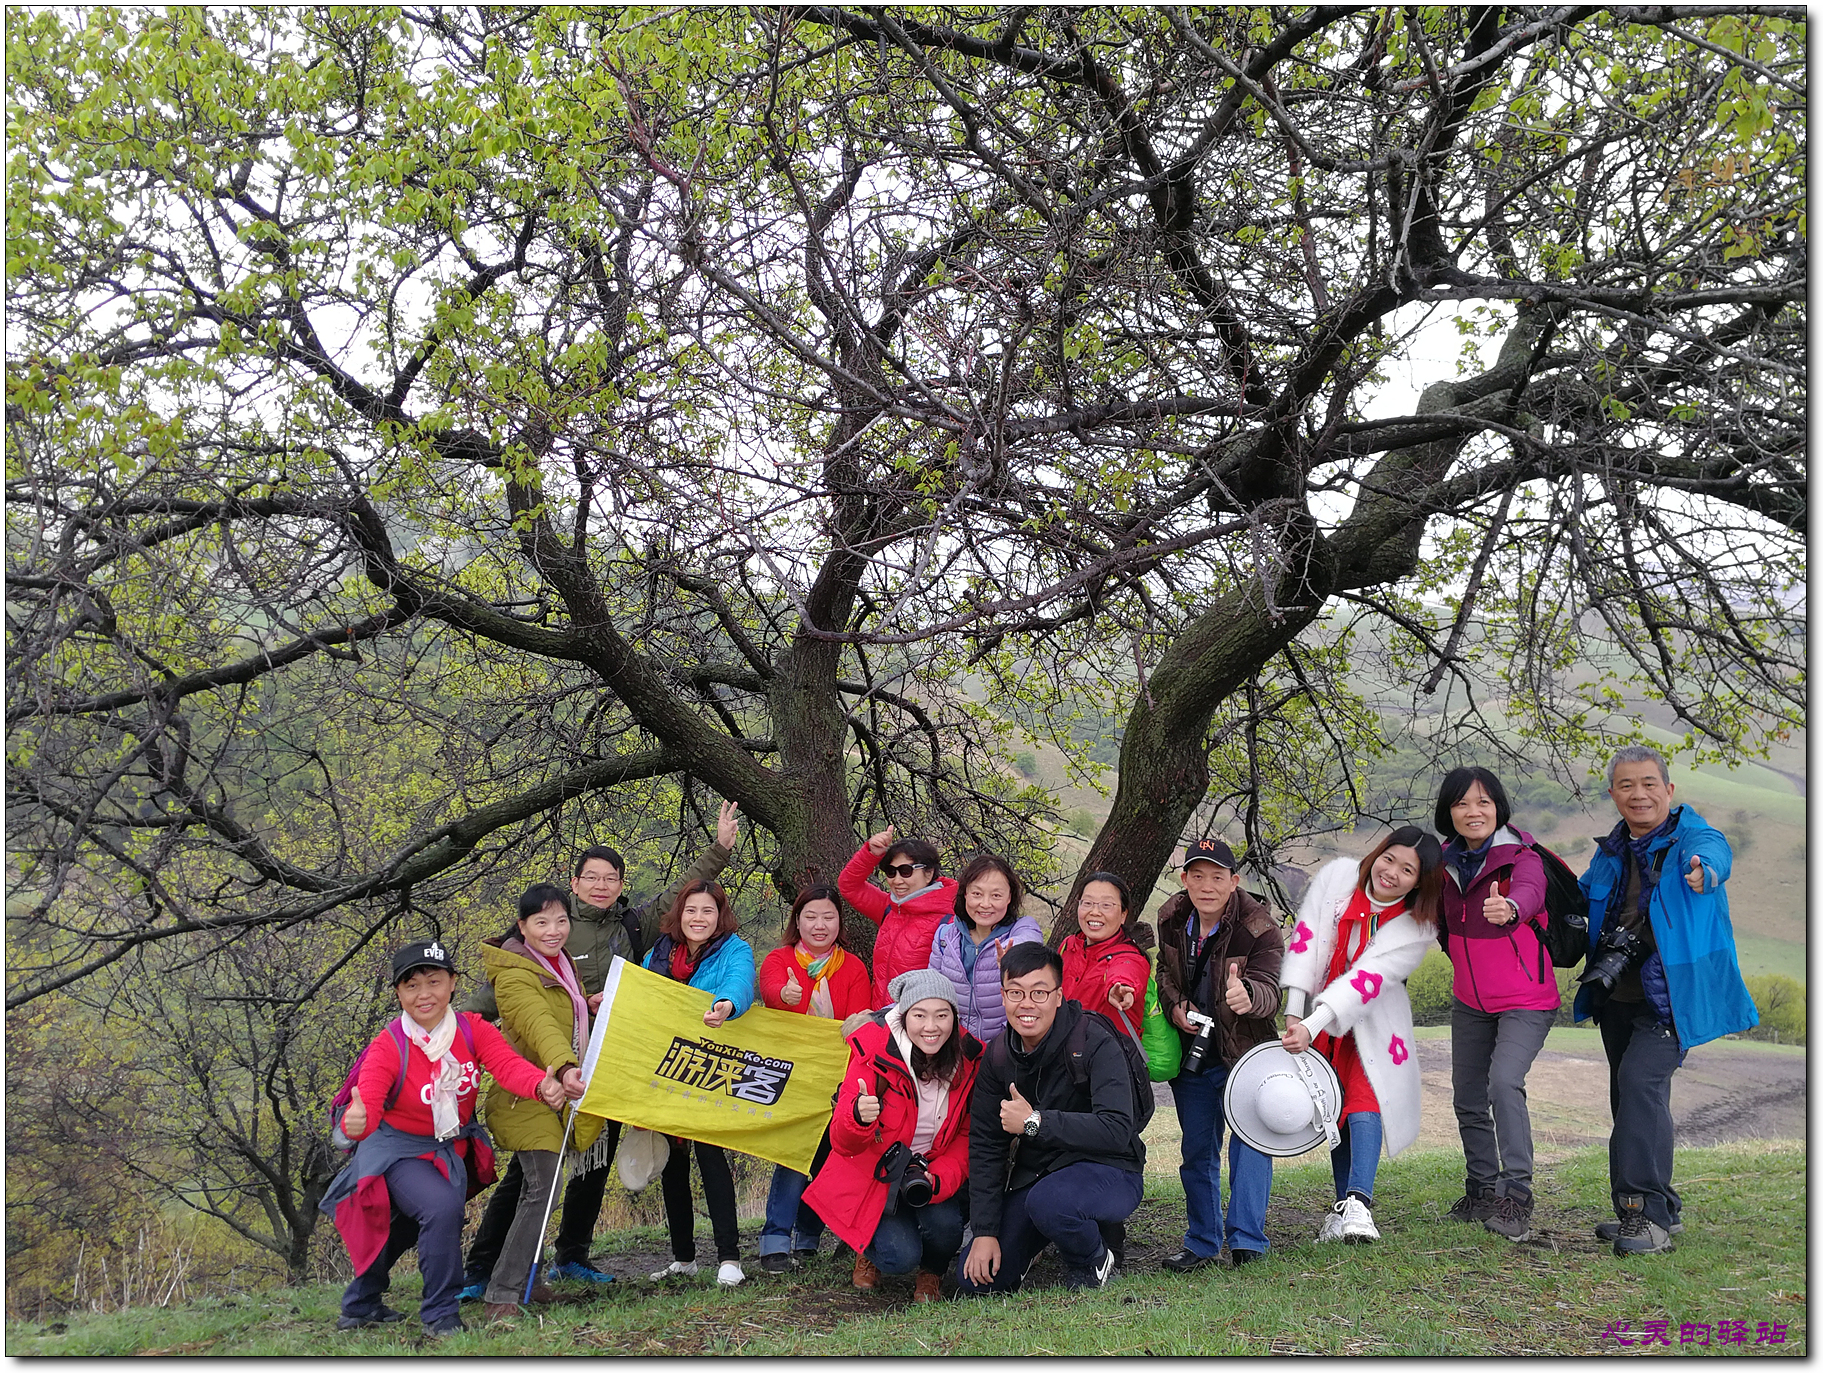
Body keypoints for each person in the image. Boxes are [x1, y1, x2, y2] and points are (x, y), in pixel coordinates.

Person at [461, 803, 739, 1295]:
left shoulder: (629, 925)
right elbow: (497, 992)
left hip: (608, 1060)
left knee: (594, 1157)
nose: (601, 886)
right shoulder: (549, 930)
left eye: (610, 878)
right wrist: (447, 1027)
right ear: (574, 882)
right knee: (531, 1170)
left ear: (620, 883)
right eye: (591, 877)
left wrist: (719, 850)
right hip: (545, 1066)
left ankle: (572, 1255)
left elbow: (680, 895)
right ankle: (482, 1267)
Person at [322, 941, 567, 1339]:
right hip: (396, 1148)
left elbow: (508, 1067)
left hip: (447, 1146)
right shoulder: (389, 1045)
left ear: (452, 983)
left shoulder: (473, 1030)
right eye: (412, 985)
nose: (424, 994)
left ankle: (360, 1303)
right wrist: (357, 1123)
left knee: (407, 1225)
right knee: (440, 1209)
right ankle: (441, 1315)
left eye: (434, 982)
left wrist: (541, 1086)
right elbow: (367, 1106)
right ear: (399, 993)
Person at [1574, 745, 1756, 1256]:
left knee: (1639, 1084)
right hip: (1618, 995)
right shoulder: (1610, 852)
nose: (1639, 794)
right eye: (1627, 785)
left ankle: (1645, 1215)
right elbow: (1578, 897)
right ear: (1614, 794)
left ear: (1669, 790)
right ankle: (1659, 1211)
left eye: (1649, 783)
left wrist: (1706, 871)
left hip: (1671, 999)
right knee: (1631, 1096)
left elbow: (1715, 852)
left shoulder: (1692, 839)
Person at [1279, 828, 1444, 1243]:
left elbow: (1365, 981)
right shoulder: (1338, 879)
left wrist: (1311, 1024)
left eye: (1408, 870)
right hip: (1321, 1020)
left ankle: (1360, 1204)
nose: (1392, 873)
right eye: (1389, 858)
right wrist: (1295, 1011)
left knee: (1364, 1100)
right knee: (1334, 1108)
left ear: (1419, 883)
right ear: (1377, 853)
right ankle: (1343, 1209)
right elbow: (1307, 940)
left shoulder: (1416, 928)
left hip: (1374, 1022)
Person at [956, 943, 1145, 1294]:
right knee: (974, 1282)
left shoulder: (1093, 1040)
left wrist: (1035, 1123)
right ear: (1003, 996)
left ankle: (1093, 1260)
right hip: (1039, 1177)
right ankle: (1039, 1242)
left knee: (1052, 1203)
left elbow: (1117, 1129)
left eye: (1039, 993)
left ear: (1058, 996)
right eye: (1016, 992)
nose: (1026, 1004)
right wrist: (984, 1231)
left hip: (1110, 1169)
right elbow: (985, 1146)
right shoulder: (999, 1056)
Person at [1433, 766, 1557, 1241]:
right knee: (1467, 1096)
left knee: (1503, 1083)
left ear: (1498, 807)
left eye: (1483, 801)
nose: (1473, 811)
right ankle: (1483, 1190)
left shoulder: (1521, 857)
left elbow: (1530, 892)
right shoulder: (1442, 865)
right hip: (1470, 1001)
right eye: (1462, 803)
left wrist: (1511, 908)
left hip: (1526, 999)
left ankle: (1516, 1196)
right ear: (1448, 813)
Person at [804, 969, 982, 1301]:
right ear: (903, 1015)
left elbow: (965, 1135)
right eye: (920, 1015)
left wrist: (937, 1179)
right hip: (878, 1174)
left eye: (942, 1015)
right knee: (899, 1257)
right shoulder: (873, 1053)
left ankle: (932, 1272)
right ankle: (868, 1250)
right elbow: (841, 1142)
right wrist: (858, 1117)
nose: (931, 1026)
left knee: (947, 1229)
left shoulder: (969, 1061)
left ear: (954, 1017)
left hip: (930, 1168)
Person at [474, 886, 608, 1320]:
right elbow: (538, 1025)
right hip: (527, 1096)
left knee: (530, 1188)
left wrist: (585, 1006)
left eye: (561, 921)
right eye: (542, 922)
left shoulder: (560, 964)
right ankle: (502, 1293)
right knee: (544, 1190)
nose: (554, 930)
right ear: (523, 926)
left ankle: (523, 1282)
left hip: (553, 1098)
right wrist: (566, 1067)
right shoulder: (515, 974)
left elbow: (560, 1015)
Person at [1154, 837, 1283, 1270]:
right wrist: (1175, 1005)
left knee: (1251, 1146)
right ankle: (1202, 1242)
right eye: (1197, 876)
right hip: (1193, 1052)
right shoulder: (1171, 917)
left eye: (1216, 877)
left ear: (1234, 881)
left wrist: (1248, 995)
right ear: (1184, 879)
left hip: (1244, 1055)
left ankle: (1248, 1242)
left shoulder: (1259, 926)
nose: (1206, 886)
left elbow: (1271, 990)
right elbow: (1164, 971)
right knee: (1196, 1151)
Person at [642, 880, 757, 1286]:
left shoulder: (734, 950)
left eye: (708, 911)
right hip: (665, 1066)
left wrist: (727, 1004)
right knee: (672, 1161)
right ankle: (683, 1257)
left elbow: (740, 981)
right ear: (679, 913)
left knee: (711, 1157)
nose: (698, 918)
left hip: (709, 1068)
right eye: (691, 910)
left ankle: (729, 1258)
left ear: (719, 915)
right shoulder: (658, 952)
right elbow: (641, 995)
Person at [755, 885, 872, 1272]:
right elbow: (772, 990)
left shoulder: (852, 968)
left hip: (837, 1077)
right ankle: (775, 1240)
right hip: (790, 1077)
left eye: (828, 917)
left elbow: (858, 1023)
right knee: (793, 1155)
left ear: (839, 922)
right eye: (811, 917)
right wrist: (787, 994)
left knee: (825, 1155)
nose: (820, 925)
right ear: (797, 921)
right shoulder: (780, 959)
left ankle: (809, 1236)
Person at [839, 825, 959, 1008]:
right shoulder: (890, 909)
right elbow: (849, 885)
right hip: (881, 1015)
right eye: (891, 872)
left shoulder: (950, 918)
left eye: (905, 871)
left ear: (929, 873)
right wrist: (871, 853)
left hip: (918, 1019)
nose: (897, 880)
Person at [927, 854, 1044, 1040]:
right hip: (953, 1045)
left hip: (1002, 1048)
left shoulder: (1021, 928)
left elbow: (1029, 940)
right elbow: (930, 990)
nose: (985, 904)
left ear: (1009, 897)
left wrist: (1014, 956)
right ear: (965, 894)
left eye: (996, 895)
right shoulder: (945, 937)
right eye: (977, 894)